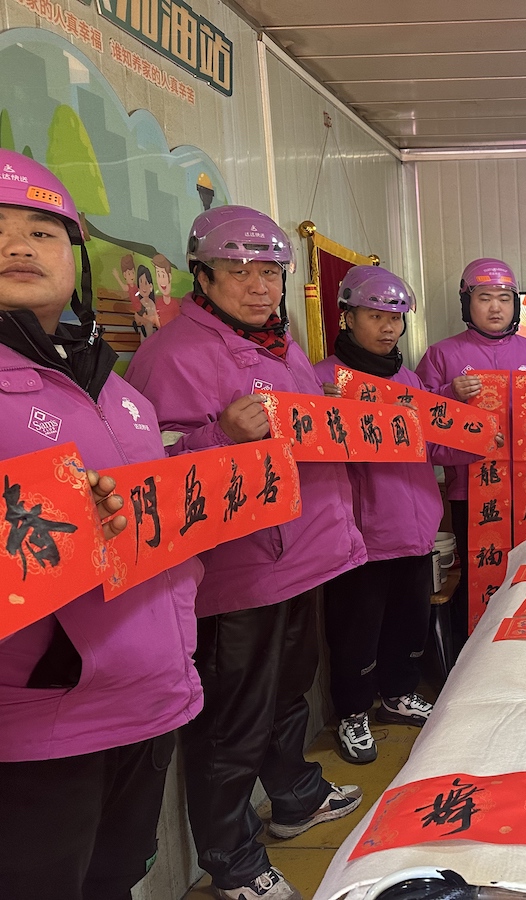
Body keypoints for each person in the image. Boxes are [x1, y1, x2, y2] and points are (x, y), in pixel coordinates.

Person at [125, 205, 367, 900]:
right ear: (201, 276)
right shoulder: (169, 354)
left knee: (289, 691)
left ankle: (295, 796)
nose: (260, 286)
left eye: (270, 271)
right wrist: (220, 437)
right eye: (239, 272)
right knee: (232, 721)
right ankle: (230, 859)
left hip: (302, 554)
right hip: (237, 572)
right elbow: (148, 474)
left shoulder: (279, 344)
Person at [0, 151, 204, 899]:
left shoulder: (119, 393)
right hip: (36, 722)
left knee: (114, 881)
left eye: (42, 232)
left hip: (147, 698)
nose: (19, 246)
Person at [314, 265, 479, 763]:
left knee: (409, 621)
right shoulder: (322, 380)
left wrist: (473, 433)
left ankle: (398, 694)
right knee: (356, 629)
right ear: (347, 317)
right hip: (361, 535)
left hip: (415, 527)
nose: (389, 328)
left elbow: (436, 448)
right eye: (375, 316)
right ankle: (352, 712)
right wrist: (322, 412)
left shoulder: (409, 381)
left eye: (396, 318)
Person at [415, 257, 526, 653]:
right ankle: (476, 657)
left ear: (515, 304)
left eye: (504, 298)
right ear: (467, 302)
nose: (495, 308)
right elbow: (419, 415)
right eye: (484, 298)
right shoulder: (441, 354)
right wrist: (450, 393)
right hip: (471, 490)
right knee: (478, 575)